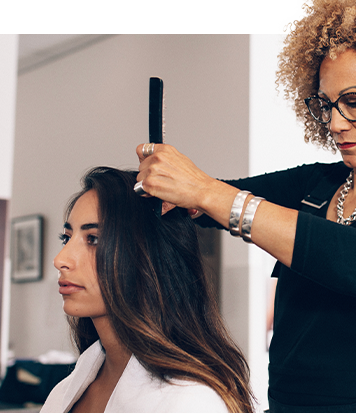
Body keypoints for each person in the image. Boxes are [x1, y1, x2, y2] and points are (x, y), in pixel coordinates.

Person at [133, 0, 356, 414]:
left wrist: (204, 191)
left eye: (354, 100)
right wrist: (170, 187)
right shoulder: (318, 184)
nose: (335, 123)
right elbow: (212, 199)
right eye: (326, 104)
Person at [40, 167, 256, 414]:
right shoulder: (66, 390)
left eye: (94, 239)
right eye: (66, 238)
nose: (60, 259)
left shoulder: (191, 402)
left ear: (148, 257)